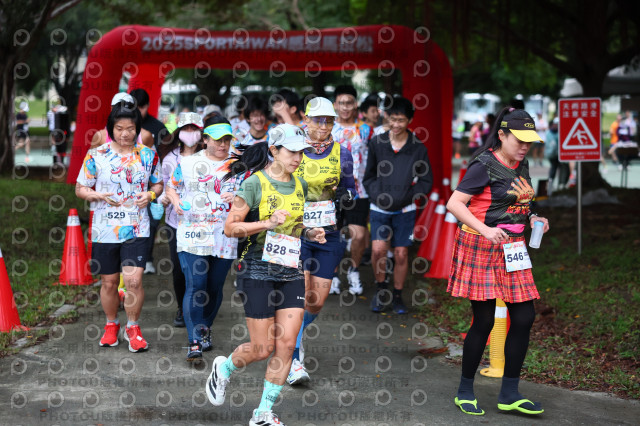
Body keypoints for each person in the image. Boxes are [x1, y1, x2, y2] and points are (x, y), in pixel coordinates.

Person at [206, 124, 325, 426]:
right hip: (257, 269)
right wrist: (266, 223)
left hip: (291, 270)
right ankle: (224, 368)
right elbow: (230, 228)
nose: (298, 158)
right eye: (292, 151)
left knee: (286, 345)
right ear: (274, 150)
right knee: (262, 348)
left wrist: (310, 232)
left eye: (302, 152)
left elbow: (295, 226)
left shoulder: (300, 184)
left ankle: (263, 413)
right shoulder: (253, 184)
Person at [446, 107, 550, 416]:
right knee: (485, 320)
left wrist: (533, 217)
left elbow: (522, 200)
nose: (524, 146)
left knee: (524, 317)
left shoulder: (521, 163)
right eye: (519, 140)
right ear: (502, 135)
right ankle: (465, 391)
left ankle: (510, 393)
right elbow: (455, 203)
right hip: (481, 245)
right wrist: (485, 229)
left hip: (513, 247)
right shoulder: (484, 165)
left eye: (529, 141)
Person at [75, 101, 163, 352]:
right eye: (119, 128)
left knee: (133, 281)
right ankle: (111, 325)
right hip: (105, 229)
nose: (125, 133)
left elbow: (158, 184)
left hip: (136, 227)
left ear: (138, 129)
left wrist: (151, 195)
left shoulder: (148, 155)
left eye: (131, 128)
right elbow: (80, 188)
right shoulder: (97, 154)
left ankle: (133, 327)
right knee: (109, 282)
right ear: (111, 129)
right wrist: (96, 195)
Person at [287, 96, 356, 385]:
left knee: (315, 302)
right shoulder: (294, 149)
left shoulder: (343, 153)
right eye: (318, 120)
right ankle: (293, 360)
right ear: (306, 120)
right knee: (299, 296)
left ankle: (291, 335)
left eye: (329, 121)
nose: (324, 126)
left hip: (329, 233)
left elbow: (351, 189)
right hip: (297, 231)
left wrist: (347, 197)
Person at [165, 116, 242, 361]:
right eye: (218, 140)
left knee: (214, 286)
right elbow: (171, 187)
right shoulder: (188, 163)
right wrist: (176, 201)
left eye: (227, 139)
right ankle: (195, 339)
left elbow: (252, 194)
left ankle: (205, 328)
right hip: (192, 232)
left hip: (224, 234)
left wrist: (238, 198)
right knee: (196, 285)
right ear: (205, 139)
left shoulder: (238, 165)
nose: (223, 144)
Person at [363, 96, 433, 314]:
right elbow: (369, 176)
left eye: (401, 120)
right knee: (378, 250)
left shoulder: (418, 148)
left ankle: (397, 296)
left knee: (401, 253)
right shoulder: (377, 143)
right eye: (392, 119)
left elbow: (426, 181)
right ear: (387, 117)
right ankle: (381, 290)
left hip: (405, 210)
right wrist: (376, 195)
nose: (396, 124)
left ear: (410, 120)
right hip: (379, 208)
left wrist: (408, 196)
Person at [157, 112, 204, 328]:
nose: (190, 133)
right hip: (176, 223)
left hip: (204, 222)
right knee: (179, 269)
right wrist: (163, 198)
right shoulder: (170, 159)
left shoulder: (209, 157)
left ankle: (199, 310)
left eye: (194, 129)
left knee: (201, 269)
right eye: (186, 129)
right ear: (179, 132)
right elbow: (162, 186)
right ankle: (181, 308)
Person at [331, 85, 372, 295]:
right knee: (333, 234)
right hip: (332, 190)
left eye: (349, 103)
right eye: (341, 103)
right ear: (335, 105)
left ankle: (354, 270)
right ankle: (333, 274)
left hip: (359, 191)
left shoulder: (365, 129)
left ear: (355, 105)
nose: (345, 107)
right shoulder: (327, 128)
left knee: (358, 234)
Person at [130, 88, 169, 275]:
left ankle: (147, 259)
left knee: (152, 222)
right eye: (135, 107)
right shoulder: (125, 126)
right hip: (130, 184)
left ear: (148, 106)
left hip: (153, 183)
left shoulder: (158, 128)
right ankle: (131, 259)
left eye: (142, 107)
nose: (139, 111)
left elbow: (167, 156)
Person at [544, 116, 569, 194]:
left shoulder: (560, 132)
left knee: (563, 169)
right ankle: (550, 186)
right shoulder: (549, 133)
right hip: (553, 155)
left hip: (560, 155)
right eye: (556, 124)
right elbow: (551, 145)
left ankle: (561, 185)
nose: (557, 125)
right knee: (554, 169)